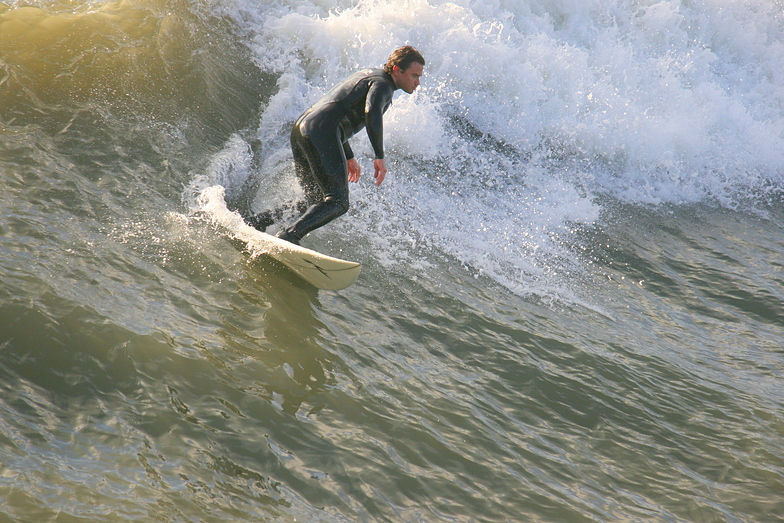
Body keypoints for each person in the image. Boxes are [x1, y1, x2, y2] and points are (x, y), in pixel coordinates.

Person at [246, 45, 425, 245]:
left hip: (304, 129)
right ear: (397, 70)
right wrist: (379, 156)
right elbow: (371, 112)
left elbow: (339, 113)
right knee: (337, 202)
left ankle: (256, 222)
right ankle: (290, 236)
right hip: (322, 132)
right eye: (414, 75)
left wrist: (348, 156)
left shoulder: (370, 76)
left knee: (315, 199)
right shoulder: (384, 85)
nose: (417, 82)